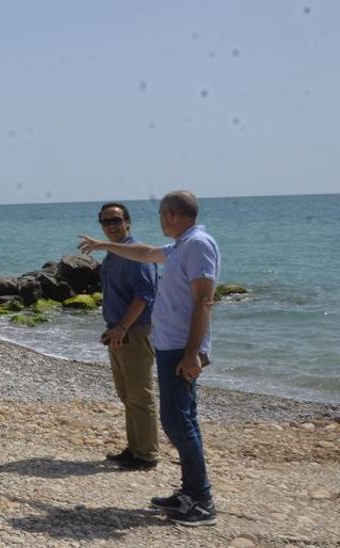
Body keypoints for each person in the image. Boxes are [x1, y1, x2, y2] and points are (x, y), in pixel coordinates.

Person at [79, 190, 220, 527]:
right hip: (170, 344)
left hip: (181, 348)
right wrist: (104, 246)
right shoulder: (182, 245)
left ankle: (201, 500)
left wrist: (192, 354)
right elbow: (146, 252)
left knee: (177, 420)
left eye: (160, 214)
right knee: (180, 419)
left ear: (170, 214)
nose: (158, 220)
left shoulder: (198, 243)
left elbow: (204, 301)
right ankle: (189, 492)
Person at [94, 202, 159, 471]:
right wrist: (114, 329)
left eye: (116, 220)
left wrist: (122, 327)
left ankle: (146, 454)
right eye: (106, 221)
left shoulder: (136, 253)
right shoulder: (114, 254)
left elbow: (144, 296)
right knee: (127, 394)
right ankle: (134, 449)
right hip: (118, 331)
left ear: (128, 222)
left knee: (140, 395)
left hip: (133, 331)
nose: (111, 226)